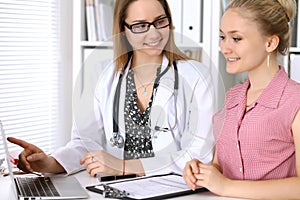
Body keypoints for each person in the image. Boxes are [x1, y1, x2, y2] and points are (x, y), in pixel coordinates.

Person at [8, 0, 215, 177]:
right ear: (123, 30)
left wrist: (126, 167)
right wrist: (50, 163)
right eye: (140, 25)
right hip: (117, 188)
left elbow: (200, 154)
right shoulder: (105, 77)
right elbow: (85, 142)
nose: (154, 34)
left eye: (160, 22)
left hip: (176, 189)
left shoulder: (196, 77)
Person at [183, 0, 300, 199]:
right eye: (222, 37)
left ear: (270, 43)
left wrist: (226, 187)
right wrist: (202, 172)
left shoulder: (294, 101)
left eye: (236, 38)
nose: (224, 48)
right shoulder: (233, 97)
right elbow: (223, 166)